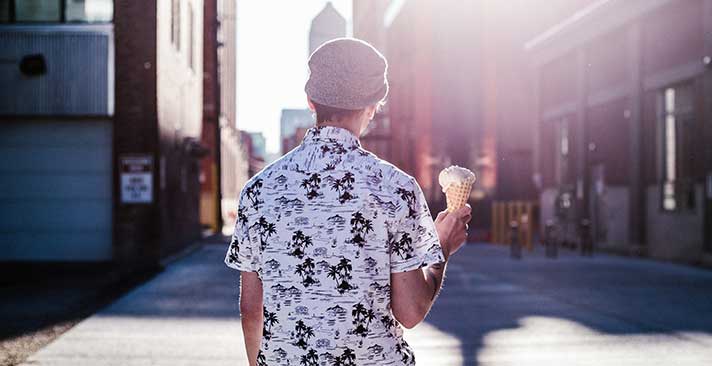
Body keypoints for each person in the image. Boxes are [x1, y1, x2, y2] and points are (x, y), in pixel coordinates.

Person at [225, 38, 471, 366]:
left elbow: (251, 310)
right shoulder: (396, 189)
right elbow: (410, 312)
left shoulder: (258, 191)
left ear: (311, 102)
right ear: (373, 104)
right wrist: (440, 248)